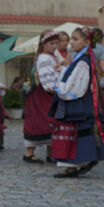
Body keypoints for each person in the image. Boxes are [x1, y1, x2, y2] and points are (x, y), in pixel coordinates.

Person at [49, 27, 104, 178]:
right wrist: (63, 69)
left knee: (75, 133)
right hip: (80, 102)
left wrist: (59, 88)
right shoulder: (81, 59)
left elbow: (76, 86)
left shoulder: (83, 62)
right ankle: (78, 163)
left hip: (77, 104)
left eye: (75, 39)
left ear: (87, 42)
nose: (72, 42)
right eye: (72, 39)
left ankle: (75, 165)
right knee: (79, 133)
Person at [23, 30, 65, 163]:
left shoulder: (50, 57)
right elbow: (46, 79)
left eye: (56, 43)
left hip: (48, 94)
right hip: (43, 94)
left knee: (49, 122)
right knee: (40, 122)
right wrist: (55, 89)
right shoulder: (44, 58)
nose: (54, 46)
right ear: (44, 44)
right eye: (52, 43)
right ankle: (29, 153)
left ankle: (50, 152)